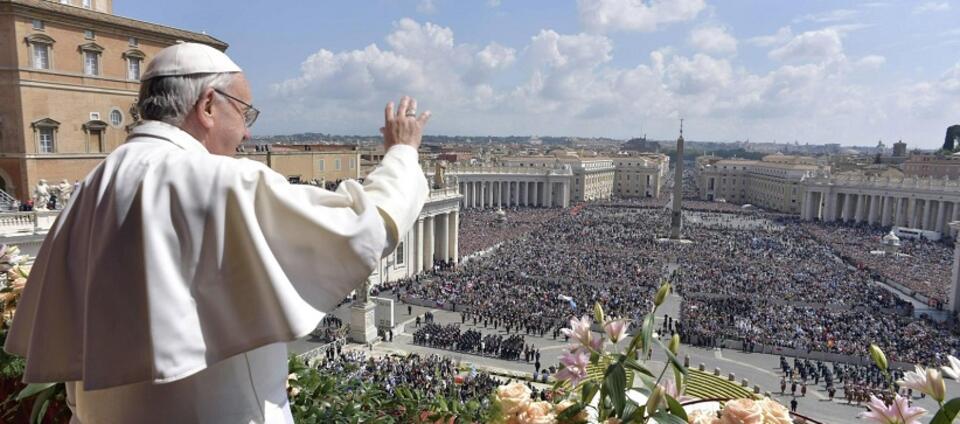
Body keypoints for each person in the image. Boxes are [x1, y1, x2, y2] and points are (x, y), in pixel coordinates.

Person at [4, 43, 431, 423]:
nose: (247, 132)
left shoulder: (92, 187)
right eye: (244, 114)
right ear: (208, 105)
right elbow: (364, 227)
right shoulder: (216, 180)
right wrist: (402, 154)